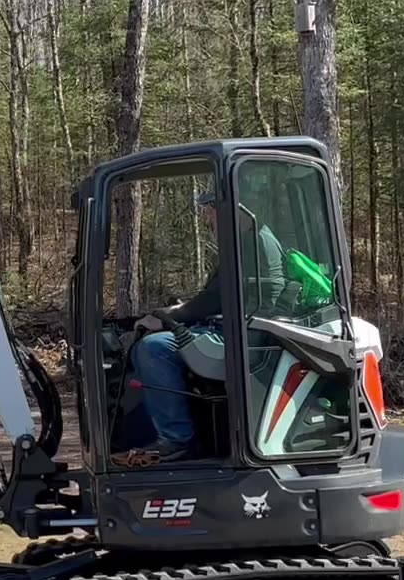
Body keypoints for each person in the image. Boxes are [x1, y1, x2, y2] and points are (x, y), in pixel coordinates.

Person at [116, 192, 286, 466]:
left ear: (235, 209)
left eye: (210, 210)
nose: (207, 218)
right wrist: (177, 312)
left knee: (153, 348)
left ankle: (177, 440)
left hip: (243, 339)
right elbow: (218, 297)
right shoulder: (247, 241)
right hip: (235, 328)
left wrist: (169, 317)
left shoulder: (251, 245)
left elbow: (217, 298)